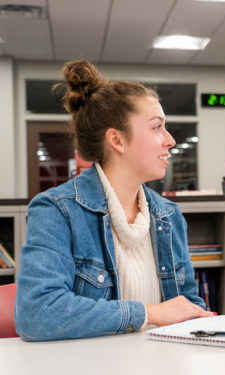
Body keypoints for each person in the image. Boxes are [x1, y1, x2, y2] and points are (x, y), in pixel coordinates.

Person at [15, 60, 213, 341]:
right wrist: (149, 313)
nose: (169, 140)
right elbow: (37, 314)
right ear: (117, 140)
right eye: (157, 127)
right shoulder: (57, 210)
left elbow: (188, 308)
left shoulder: (168, 215)